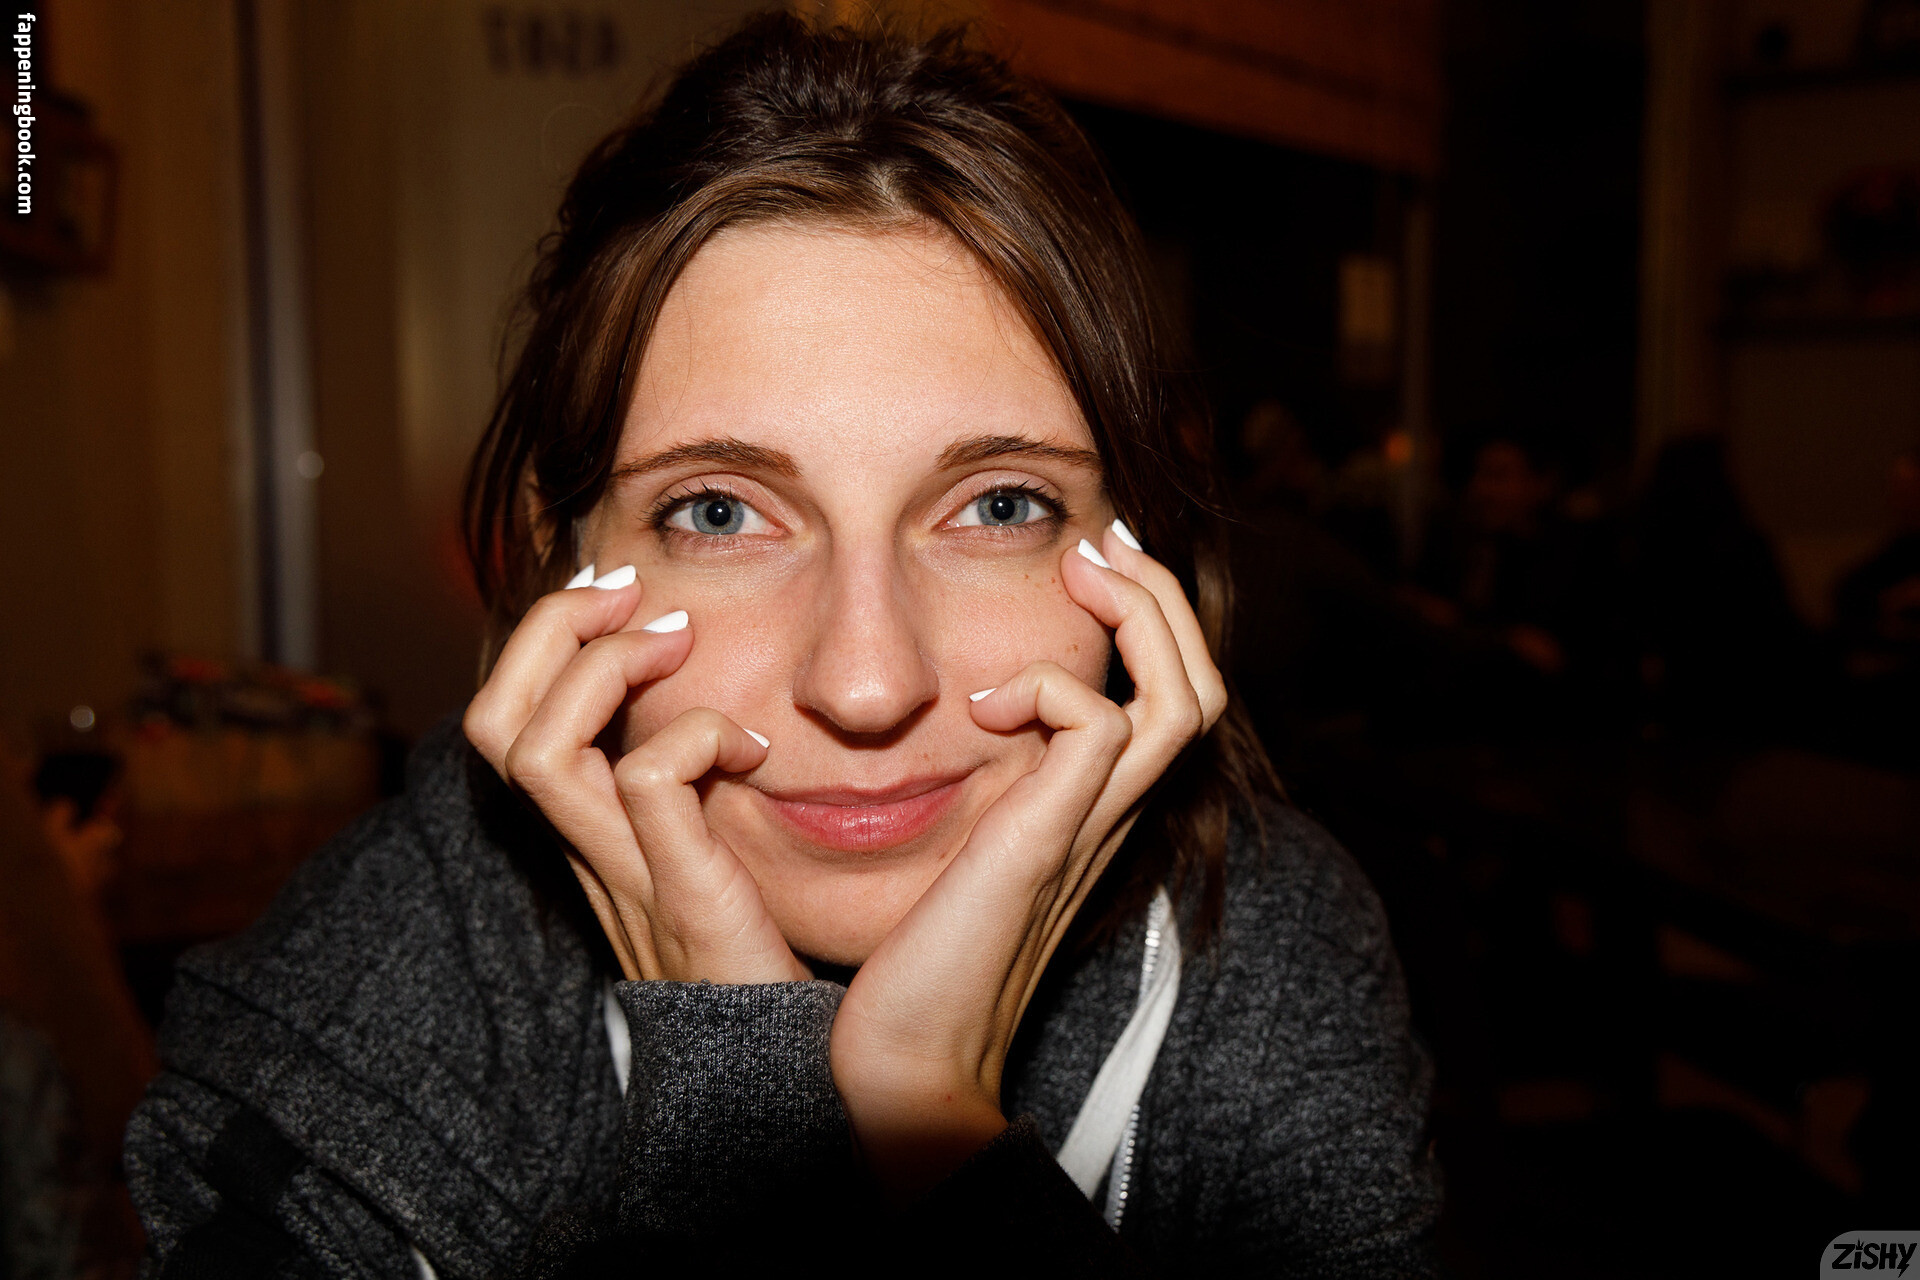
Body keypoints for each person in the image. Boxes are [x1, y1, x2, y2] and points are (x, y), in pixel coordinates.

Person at [123, 15, 1440, 1276]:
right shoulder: (351, 1020)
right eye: (718, 513)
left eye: (999, 507)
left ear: (1136, 546)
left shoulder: (1264, 950)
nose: (866, 684)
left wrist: (932, 1130)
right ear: (561, 560)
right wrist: (746, 1123)